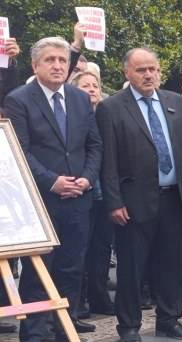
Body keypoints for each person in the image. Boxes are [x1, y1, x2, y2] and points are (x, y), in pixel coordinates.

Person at [96, 48, 182, 342]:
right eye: (141, 70)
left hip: (173, 198)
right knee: (132, 267)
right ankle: (129, 326)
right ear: (127, 73)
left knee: (171, 263)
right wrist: (114, 201)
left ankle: (169, 320)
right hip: (133, 202)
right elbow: (108, 160)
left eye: (152, 69)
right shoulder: (111, 108)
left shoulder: (175, 102)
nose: (148, 75)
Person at [5, 36, 102, 342]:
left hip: (78, 197)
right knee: (38, 271)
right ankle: (32, 339)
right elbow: (20, 150)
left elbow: (94, 144)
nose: (58, 65)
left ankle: (65, 333)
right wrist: (53, 181)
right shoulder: (19, 100)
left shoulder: (79, 98)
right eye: (50, 60)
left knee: (72, 268)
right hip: (41, 200)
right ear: (35, 65)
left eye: (62, 60)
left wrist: (87, 178)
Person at [70, 71, 115, 319]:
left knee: (101, 248)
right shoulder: (73, 117)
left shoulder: (107, 116)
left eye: (95, 85)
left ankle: (99, 297)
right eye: (85, 85)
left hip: (105, 193)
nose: (91, 89)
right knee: (80, 249)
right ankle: (77, 301)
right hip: (81, 189)